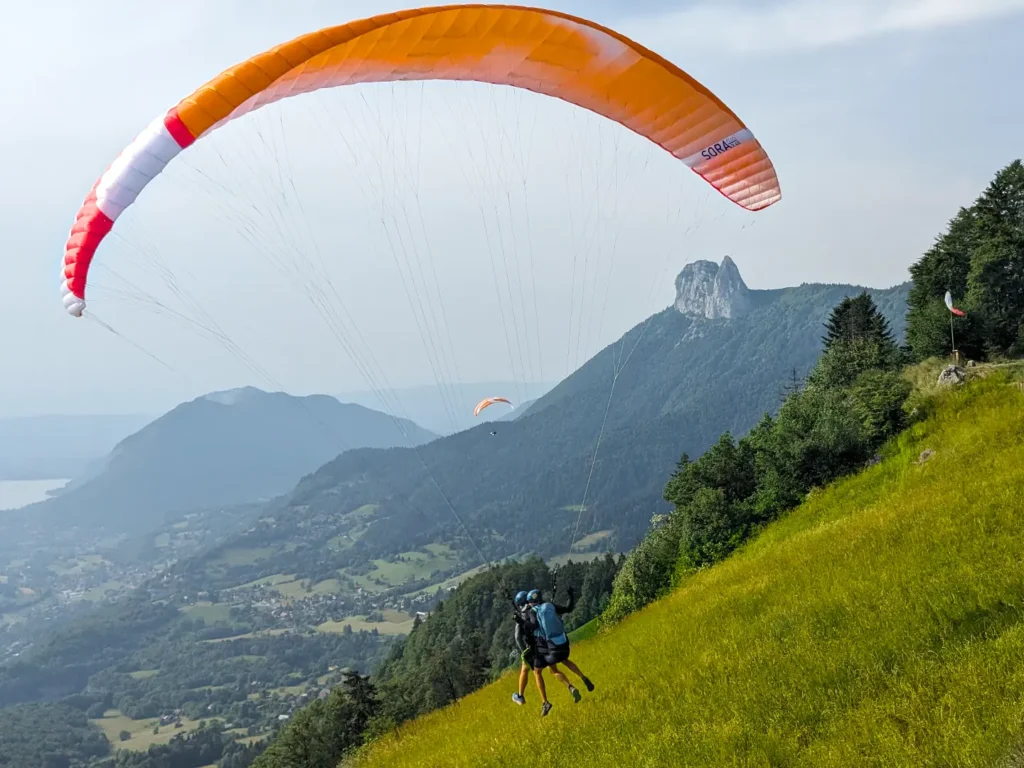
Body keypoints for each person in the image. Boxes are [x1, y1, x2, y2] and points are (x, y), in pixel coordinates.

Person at [526, 587, 594, 704]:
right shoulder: (550, 606)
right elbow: (568, 608)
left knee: (552, 670)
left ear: (531, 603)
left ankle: (570, 687)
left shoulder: (533, 611)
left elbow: (533, 626)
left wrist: (523, 623)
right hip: (563, 644)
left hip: (551, 648)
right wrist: (571, 595)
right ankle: (583, 677)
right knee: (565, 661)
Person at [511, 590, 553, 716]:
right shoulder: (536, 608)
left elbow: (518, 636)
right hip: (544, 642)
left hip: (531, 647)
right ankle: (571, 686)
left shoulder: (523, 614)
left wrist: (524, 650)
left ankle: (521, 696)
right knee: (552, 669)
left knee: (528, 670)